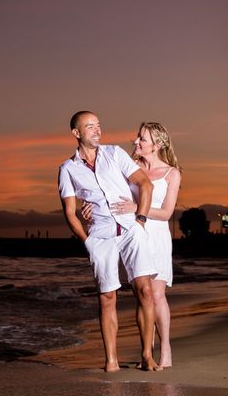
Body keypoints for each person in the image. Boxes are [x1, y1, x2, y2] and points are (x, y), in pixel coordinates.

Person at [58, 111, 161, 372]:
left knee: (145, 290)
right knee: (106, 297)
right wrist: (87, 242)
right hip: (100, 236)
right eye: (90, 126)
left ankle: (147, 355)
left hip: (130, 229)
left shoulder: (115, 153)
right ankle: (111, 361)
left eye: (99, 125)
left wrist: (140, 220)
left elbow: (144, 184)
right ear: (76, 133)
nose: (97, 130)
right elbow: (70, 212)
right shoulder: (67, 169)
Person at [84, 122, 181, 367]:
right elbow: (106, 191)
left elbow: (168, 213)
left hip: (156, 234)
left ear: (156, 145)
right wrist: (88, 206)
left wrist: (138, 209)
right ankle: (146, 352)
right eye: (137, 137)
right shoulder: (129, 167)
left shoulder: (172, 173)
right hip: (130, 234)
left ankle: (165, 349)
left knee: (157, 294)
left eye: (142, 139)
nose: (135, 142)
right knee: (141, 294)